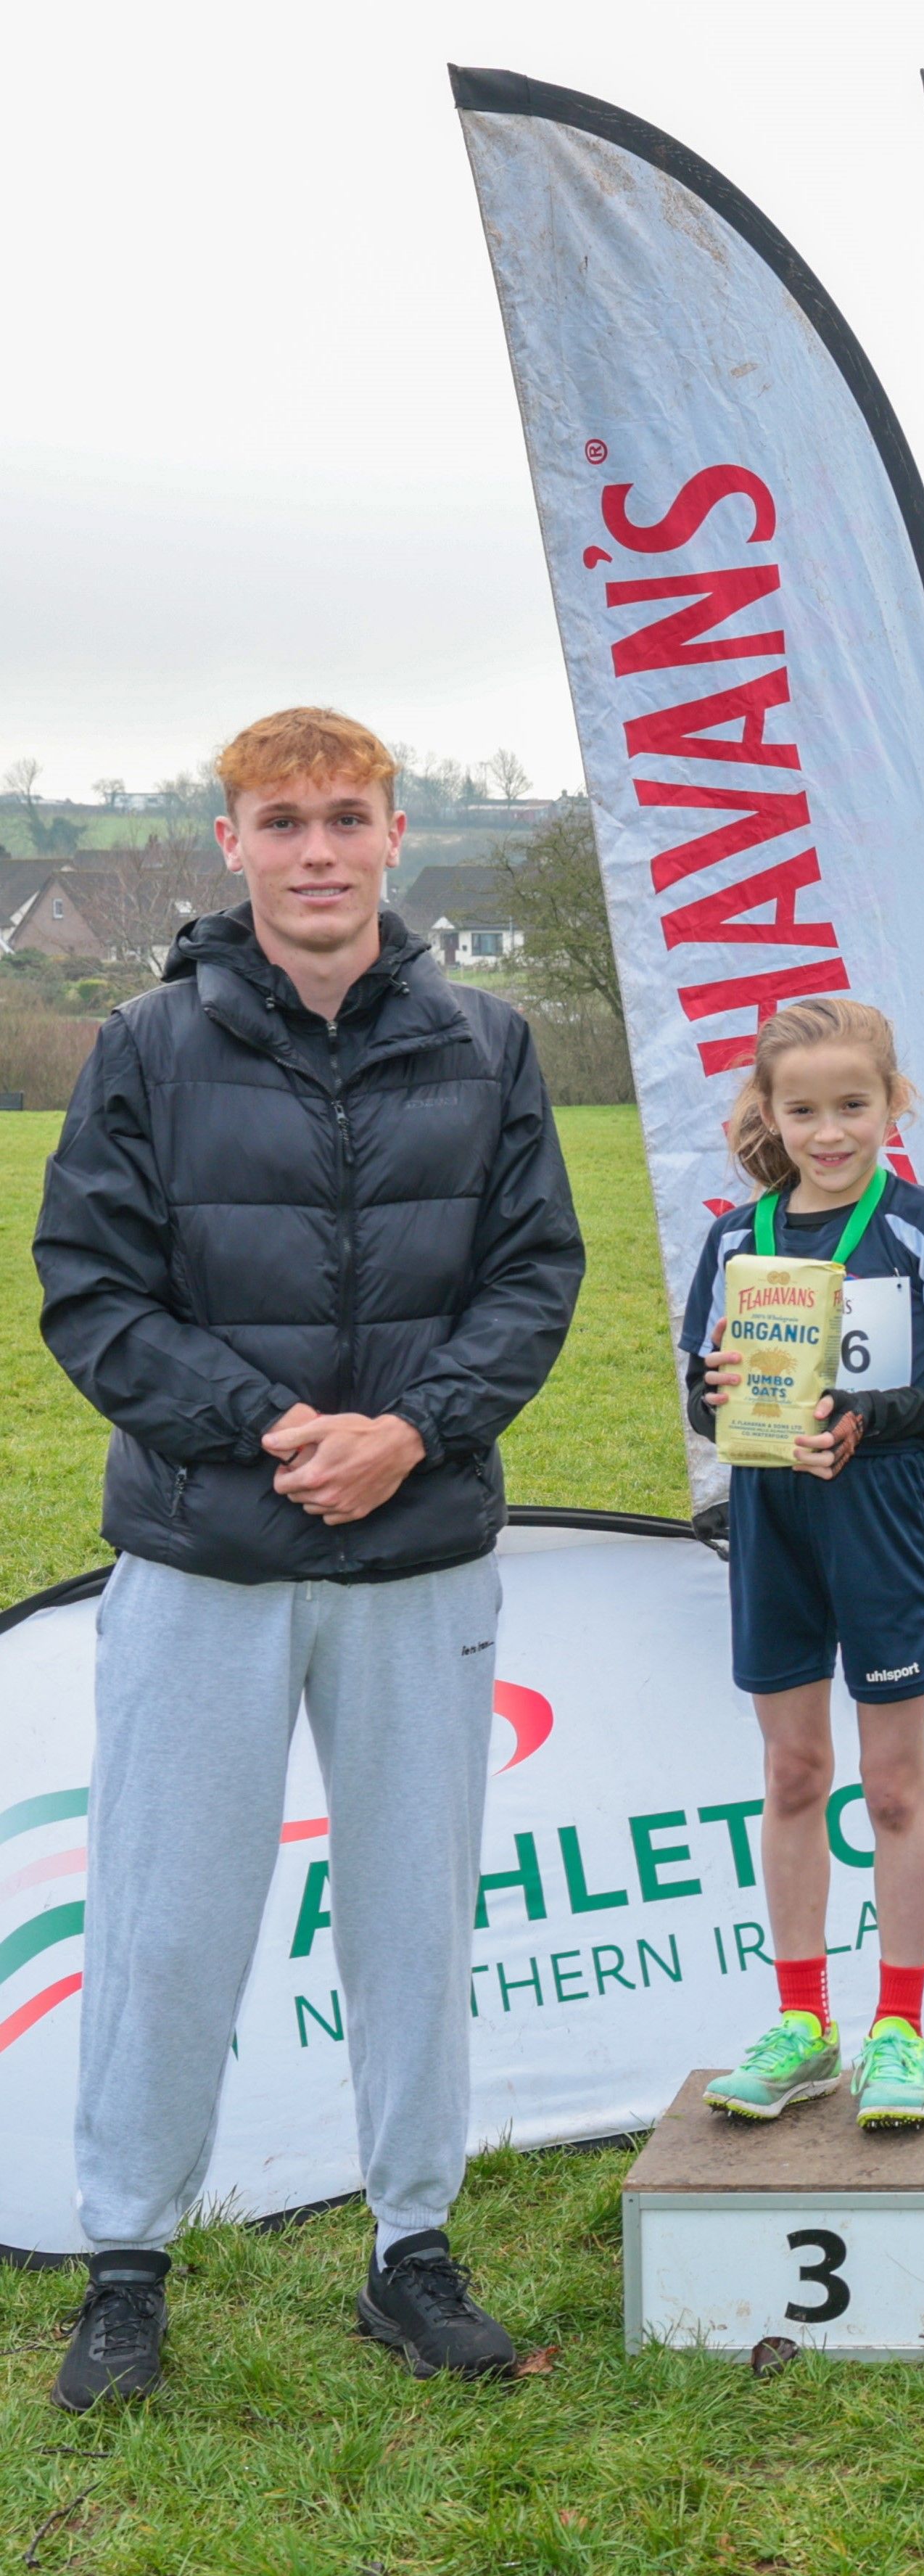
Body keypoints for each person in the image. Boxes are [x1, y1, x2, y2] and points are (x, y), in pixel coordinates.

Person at [33, 707, 585, 2410]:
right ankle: (127, 2263)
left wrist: (410, 1431)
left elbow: (533, 1279)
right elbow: (92, 1291)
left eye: (348, 815)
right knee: (166, 1917)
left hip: (418, 1551)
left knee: (415, 1915)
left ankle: (411, 2249)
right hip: (207, 1552)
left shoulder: (489, 1040)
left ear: (398, 832)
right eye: (284, 821)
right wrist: (277, 1426)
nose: (319, 848)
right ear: (233, 845)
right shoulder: (143, 1044)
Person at [678, 996, 924, 2132]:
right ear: (768, 1113)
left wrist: (868, 1413)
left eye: (853, 1106)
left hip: (881, 1518)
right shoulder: (735, 1241)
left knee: (896, 1785)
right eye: (804, 1111)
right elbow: (704, 1400)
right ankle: (804, 2025)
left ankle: (898, 2029)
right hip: (772, 1522)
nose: (829, 1132)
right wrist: (724, 1397)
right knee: (792, 1774)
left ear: (892, 1103)